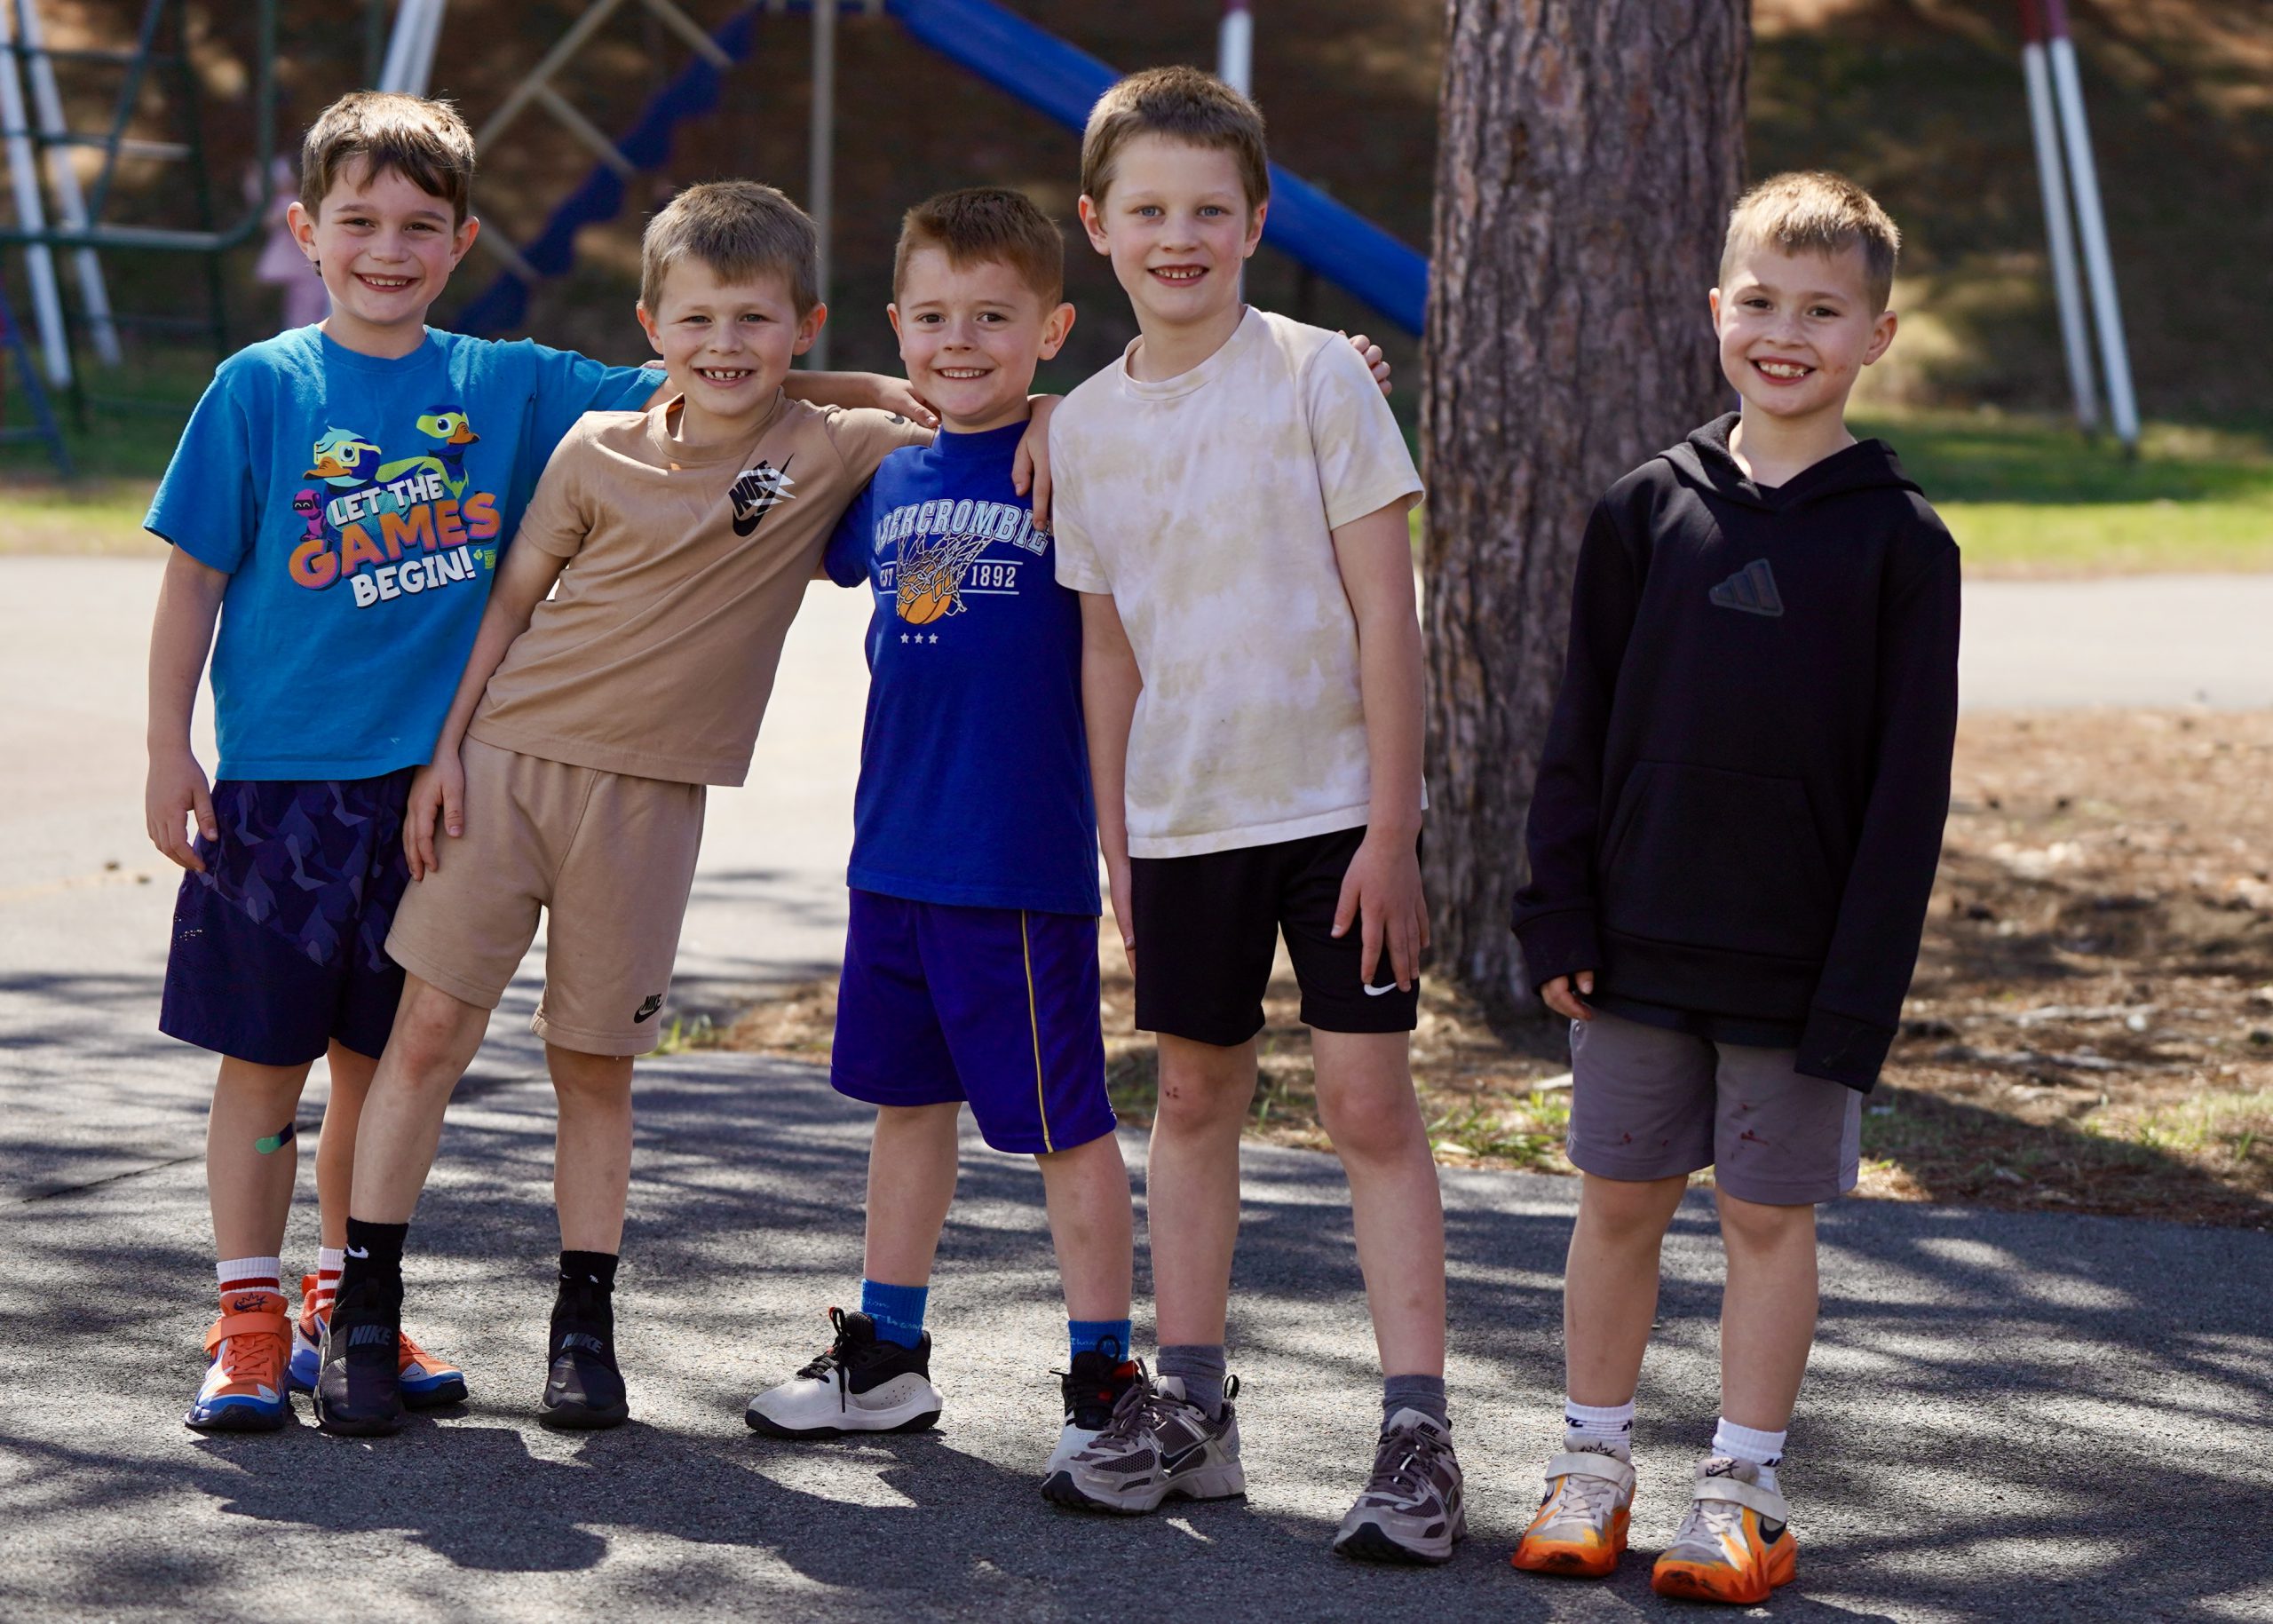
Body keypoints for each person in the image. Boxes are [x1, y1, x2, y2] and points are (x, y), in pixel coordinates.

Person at [147, 91, 922, 1437]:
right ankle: (247, 1309)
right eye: (361, 223)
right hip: (283, 781)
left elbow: (714, 374)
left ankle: (346, 1297)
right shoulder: (260, 386)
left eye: (420, 227)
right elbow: (195, 574)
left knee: (376, 1062)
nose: (389, 249)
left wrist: (889, 393)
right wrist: (169, 745)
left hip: (432, 790)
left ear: (463, 242)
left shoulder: (508, 383)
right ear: (307, 231)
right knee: (264, 1065)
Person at [309, 179, 1016, 1438]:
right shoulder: (597, 450)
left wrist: (1028, 414)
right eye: (696, 321)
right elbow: (513, 604)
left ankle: (583, 1323)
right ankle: (363, 1308)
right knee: (428, 1038)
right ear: (652, 324)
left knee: (595, 1063)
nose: (724, 346)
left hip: (648, 804)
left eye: (755, 320)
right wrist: (443, 755)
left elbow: (968, 408)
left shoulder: (830, 445)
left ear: (803, 326)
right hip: (508, 762)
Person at [1506, 170, 1960, 1604]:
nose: (1784, 333)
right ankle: (1592, 1464)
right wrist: (1557, 909)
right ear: (1716, 310)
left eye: (1822, 311)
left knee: (1768, 1221)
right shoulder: (1645, 510)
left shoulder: (1904, 545)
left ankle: (1744, 1490)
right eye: (1759, 302)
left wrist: (1860, 996)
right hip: (1635, 943)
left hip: (1796, 964)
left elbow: (1909, 799)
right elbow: (1579, 729)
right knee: (1619, 1204)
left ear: (1877, 336)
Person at [1040, 67, 1461, 1566]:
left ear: (1257, 221)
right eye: (1148, 210)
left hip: (1339, 814)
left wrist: (1395, 827)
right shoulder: (1081, 429)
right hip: (1182, 821)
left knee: (1364, 1108)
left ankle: (1418, 1433)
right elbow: (1108, 649)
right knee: (1198, 1099)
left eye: (1209, 211)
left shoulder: (1313, 377)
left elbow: (1385, 612)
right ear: (1097, 227)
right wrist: (1116, 841)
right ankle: (1194, 1405)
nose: (1179, 237)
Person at [740, 186, 1144, 1482]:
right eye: (931, 317)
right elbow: (737, 386)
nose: (958, 341)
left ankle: (1102, 1373)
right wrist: (857, 380)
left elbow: (1183, 420)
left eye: (992, 317)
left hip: (1014, 863)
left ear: (1054, 328)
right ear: (896, 325)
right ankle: (889, 1358)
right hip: (892, 856)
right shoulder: (882, 469)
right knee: (904, 1107)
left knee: (1060, 1125)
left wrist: (1066, 413)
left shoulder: (1073, 455)